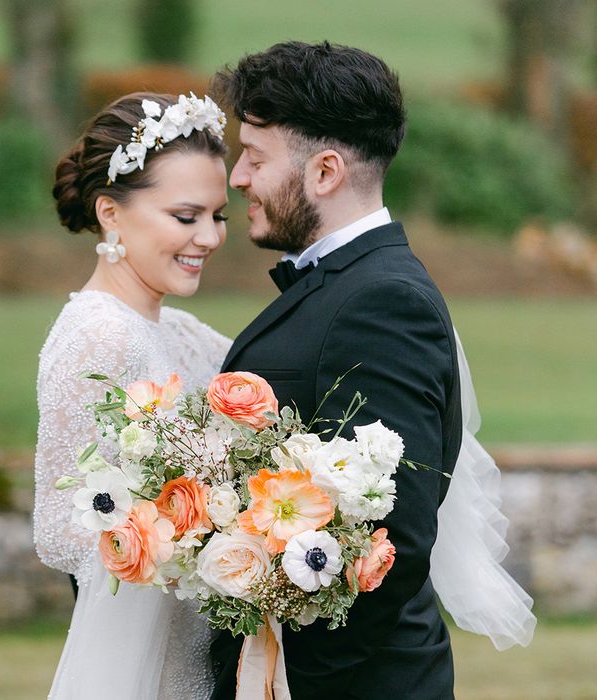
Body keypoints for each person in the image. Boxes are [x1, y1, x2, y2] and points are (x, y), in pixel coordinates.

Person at [209, 41, 535, 699]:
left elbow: (391, 538)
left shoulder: (381, 302)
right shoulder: (348, 286)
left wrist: (297, 679)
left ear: (325, 171)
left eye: (256, 157)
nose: (238, 177)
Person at [33, 92, 232, 699]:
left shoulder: (180, 333)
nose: (211, 237)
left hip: (208, 639)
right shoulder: (97, 336)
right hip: (143, 657)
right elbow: (65, 532)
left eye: (219, 216)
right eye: (186, 215)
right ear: (111, 214)